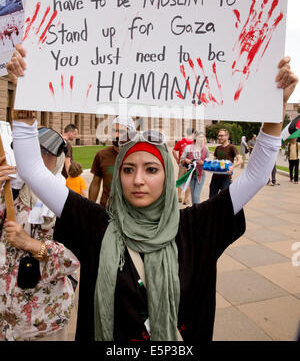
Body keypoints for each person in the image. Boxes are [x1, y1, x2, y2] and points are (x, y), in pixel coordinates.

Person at [7, 48, 298, 341]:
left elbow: (257, 175)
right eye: (128, 170)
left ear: (167, 175)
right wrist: (25, 103)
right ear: (118, 176)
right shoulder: (96, 226)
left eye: (151, 170)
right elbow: (34, 169)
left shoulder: (196, 227)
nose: (138, 180)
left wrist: (273, 110)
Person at [0, 127, 80, 341]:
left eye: (48, 155)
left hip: (45, 320)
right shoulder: (10, 191)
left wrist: (31, 244)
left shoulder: (67, 201)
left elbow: (74, 258)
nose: (39, 160)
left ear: (58, 159)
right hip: (6, 316)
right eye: (34, 153)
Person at [88, 116, 136, 206]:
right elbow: (95, 183)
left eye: (121, 132)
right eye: (114, 131)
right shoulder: (102, 155)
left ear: (130, 133)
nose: (116, 135)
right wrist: (90, 208)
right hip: (106, 210)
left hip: (131, 212)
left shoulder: (137, 155)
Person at [209, 129, 243, 198]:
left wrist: (232, 167)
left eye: (221, 136)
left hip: (226, 178)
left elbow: (240, 160)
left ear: (227, 136)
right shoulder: (217, 148)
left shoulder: (232, 147)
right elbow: (214, 161)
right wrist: (210, 165)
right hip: (215, 177)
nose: (219, 138)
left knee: (224, 200)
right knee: (211, 199)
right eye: (218, 136)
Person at [180, 132, 210, 204]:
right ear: (195, 138)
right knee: (193, 196)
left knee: (196, 196)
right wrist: (185, 160)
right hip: (191, 174)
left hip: (201, 174)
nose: (201, 139)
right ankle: (195, 212)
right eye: (199, 137)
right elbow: (181, 159)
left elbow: (208, 161)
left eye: (202, 137)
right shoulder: (188, 148)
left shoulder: (206, 149)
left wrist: (204, 163)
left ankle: (199, 213)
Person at [172, 128, 194, 204]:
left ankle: (179, 197)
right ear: (193, 133)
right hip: (191, 164)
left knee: (181, 180)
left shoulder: (181, 141)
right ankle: (186, 199)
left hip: (183, 163)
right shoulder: (194, 143)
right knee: (189, 181)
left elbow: (173, 150)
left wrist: (177, 159)